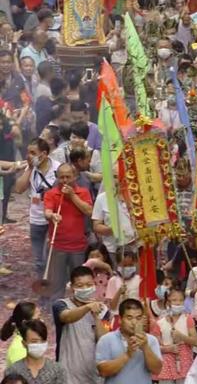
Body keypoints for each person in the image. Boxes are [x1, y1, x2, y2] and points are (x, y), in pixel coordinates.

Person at [43, 162, 93, 301]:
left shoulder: (83, 192)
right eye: (61, 177)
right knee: (57, 286)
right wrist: (52, 215)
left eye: (68, 177)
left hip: (78, 246)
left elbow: (88, 211)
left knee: (80, 284)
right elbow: (47, 211)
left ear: (75, 176)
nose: (64, 180)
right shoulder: (51, 193)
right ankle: (58, 314)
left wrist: (72, 196)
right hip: (57, 246)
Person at [52, 266, 109, 384]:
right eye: (80, 286)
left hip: (93, 374)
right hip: (68, 375)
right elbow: (67, 317)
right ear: (72, 287)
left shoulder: (103, 310)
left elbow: (104, 340)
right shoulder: (61, 304)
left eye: (89, 285)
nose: (85, 288)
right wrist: (87, 307)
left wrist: (96, 317)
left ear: (94, 284)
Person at [14, 138, 60, 276]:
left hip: (54, 217)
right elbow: (19, 189)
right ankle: (42, 286)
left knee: (52, 256)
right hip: (36, 217)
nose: (29, 156)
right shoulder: (31, 169)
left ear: (44, 154)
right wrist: (30, 168)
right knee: (38, 259)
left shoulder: (58, 168)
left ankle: (54, 282)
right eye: (28, 152)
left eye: (33, 153)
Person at [96, 298, 163, 383]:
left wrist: (145, 347)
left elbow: (157, 370)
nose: (134, 322)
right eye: (129, 318)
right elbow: (103, 372)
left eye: (138, 318)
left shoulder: (151, 340)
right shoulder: (106, 339)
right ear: (120, 319)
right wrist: (128, 354)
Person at [157, 287, 197, 383]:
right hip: (166, 365)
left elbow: (196, 342)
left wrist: (182, 336)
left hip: (184, 363)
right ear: (168, 302)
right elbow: (155, 346)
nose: (178, 303)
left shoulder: (187, 319)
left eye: (181, 300)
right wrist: (168, 348)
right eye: (174, 300)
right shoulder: (160, 323)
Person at [1, 302, 40, 368]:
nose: (42, 322)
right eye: (38, 319)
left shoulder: (28, 343)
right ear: (25, 323)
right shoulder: (19, 350)